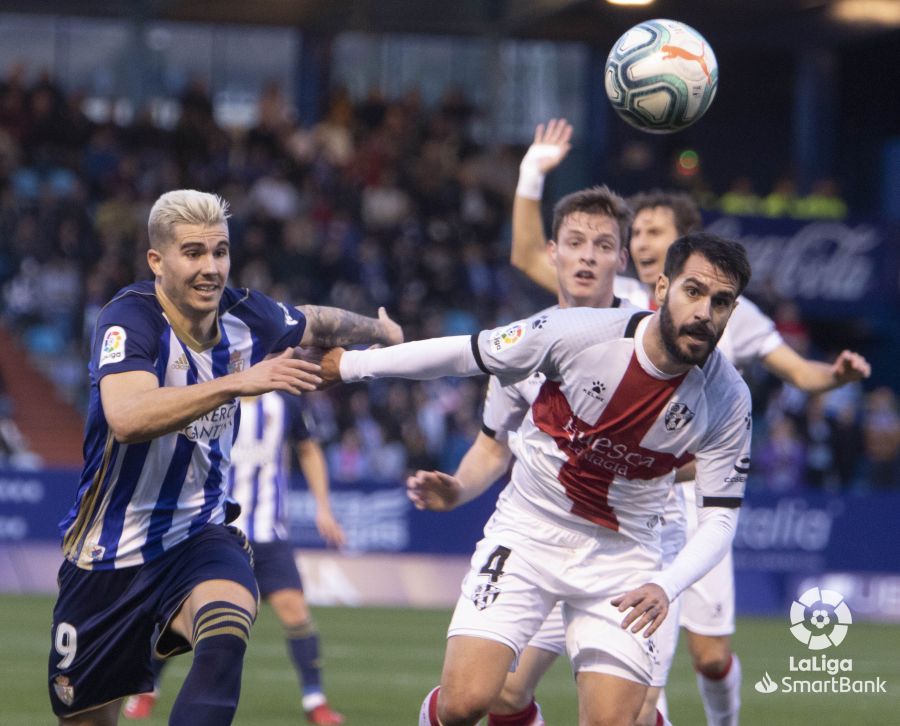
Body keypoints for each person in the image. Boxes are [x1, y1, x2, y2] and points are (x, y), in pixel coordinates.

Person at [510, 122, 871, 726]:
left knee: (709, 659)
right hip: (628, 509)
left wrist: (834, 374)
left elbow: (802, 375)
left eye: (654, 231)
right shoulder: (619, 295)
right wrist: (533, 171)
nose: (641, 241)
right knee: (626, 694)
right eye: (638, 233)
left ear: (684, 244)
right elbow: (526, 256)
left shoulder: (732, 310)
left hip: (696, 508)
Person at [321, 231, 755, 726]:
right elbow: (466, 354)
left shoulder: (729, 399)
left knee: (618, 722)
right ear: (661, 290)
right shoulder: (577, 334)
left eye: (721, 302)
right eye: (694, 292)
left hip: (624, 558)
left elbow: (720, 519)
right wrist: (354, 364)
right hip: (529, 534)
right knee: (465, 703)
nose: (705, 312)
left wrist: (666, 584)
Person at [49, 189, 402, 726]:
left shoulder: (243, 314)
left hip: (198, 535)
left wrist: (381, 333)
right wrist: (239, 382)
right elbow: (127, 416)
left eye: (220, 252)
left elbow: (313, 321)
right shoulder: (128, 319)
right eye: (193, 253)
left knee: (227, 629)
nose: (211, 268)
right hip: (106, 555)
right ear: (157, 261)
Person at [122, 390, 346, 724]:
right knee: (184, 619)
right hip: (215, 532)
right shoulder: (215, 393)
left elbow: (308, 448)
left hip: (269, 533)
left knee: (295, 612)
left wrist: (324, 508)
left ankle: (315, 701)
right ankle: (146, 687)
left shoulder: (285, 402)